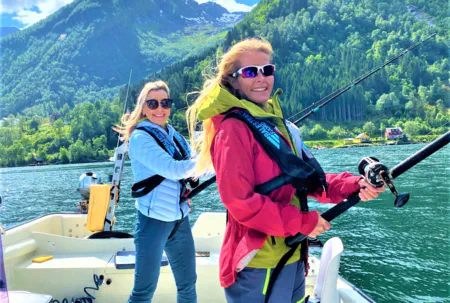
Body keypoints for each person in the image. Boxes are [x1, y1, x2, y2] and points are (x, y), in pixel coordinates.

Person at [186, 38, 384, 303]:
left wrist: (355, 185)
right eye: (249, 72)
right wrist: (303, 222)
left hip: (292, 252)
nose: (261, 78)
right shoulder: (232, 130)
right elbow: (240, 203)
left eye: (267, 70)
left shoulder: (280, 126)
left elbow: (310, 180)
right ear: (232, 80)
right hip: (259, 261)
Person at [115, 80, 197, 303]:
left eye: (165, 103)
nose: (160, 109)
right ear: (143, 107)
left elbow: (193, 172)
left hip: (180, 221)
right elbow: (173, 169)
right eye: (153, 103)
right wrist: (210, 161)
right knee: (143, 291)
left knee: (188, 285)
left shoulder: (175, 136)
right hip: (152, 222)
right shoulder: (140, 139)